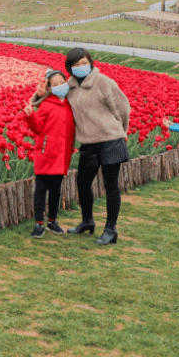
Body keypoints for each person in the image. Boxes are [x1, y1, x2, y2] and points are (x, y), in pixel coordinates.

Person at [62, 48, 130, 245]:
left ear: (90, 62)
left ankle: (110, 230)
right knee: (83, 183)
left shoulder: (103, 82)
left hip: (110, 140)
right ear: (70, 68)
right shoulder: (70, 86)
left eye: (84, 62)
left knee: (110, 185)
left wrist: (120, 130)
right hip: (88, 143)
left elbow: (123, 107)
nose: (81, 67)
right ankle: (87, 221)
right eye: (76, 64)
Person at [22, 69, 76, 238]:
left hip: (62, 154)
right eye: (55, 84)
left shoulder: (70, 104)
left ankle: (52, 221)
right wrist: (30, 116)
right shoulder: (46, 105)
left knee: (56, 190)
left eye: (62, 82)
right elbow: (37, 127)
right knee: (41, 189)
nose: (60, 85)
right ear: (50, 89)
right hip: (46, 154)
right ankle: (39, 224)